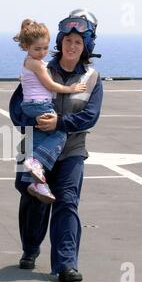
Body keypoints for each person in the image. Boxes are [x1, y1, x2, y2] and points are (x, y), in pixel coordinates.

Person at [9, 9, 103, 282]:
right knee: (33, 201)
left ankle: (65, 264)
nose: (72, 46)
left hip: (71, 150)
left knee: (67, 203)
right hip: (36, 146)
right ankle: (30, 247)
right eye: (68, 40)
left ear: (86, 45)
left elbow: (90, 116)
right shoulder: (39, 68)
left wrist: (59, 122)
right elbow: (16, 109)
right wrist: (37, 120)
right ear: (60, 41)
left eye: (78, 41)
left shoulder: (92, 78)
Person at [13, 19, 86, 204]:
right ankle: (36, 162)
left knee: (39, 139)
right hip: (40, 105)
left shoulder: (30, 61)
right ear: (26, 46)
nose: (42, 53)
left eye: (45, 48)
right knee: (60, 134)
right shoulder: (36, 64)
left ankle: (35, 184)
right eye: (37, 49)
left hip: (30, 105)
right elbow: (50, 85)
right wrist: (72, 89)